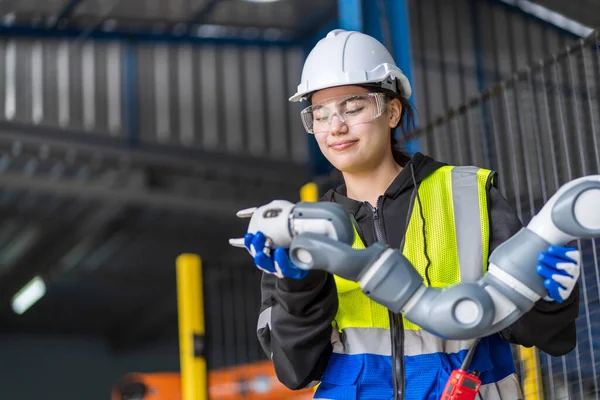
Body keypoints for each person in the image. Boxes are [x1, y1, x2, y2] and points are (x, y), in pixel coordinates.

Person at [241, 29, 581, 399]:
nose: (335, 127)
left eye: (352, 108)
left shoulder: (467, 195)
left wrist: (552, 298)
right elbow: (294, 371)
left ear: (392, 111)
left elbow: (541, 334)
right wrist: (298, 287)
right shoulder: (303, 232)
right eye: (320, 115)